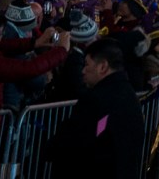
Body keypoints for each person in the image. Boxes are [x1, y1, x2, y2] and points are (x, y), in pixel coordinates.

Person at [46, 36, 146, 179]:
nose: (83, 71)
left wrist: (52, 147)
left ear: (103, 67)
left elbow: (78, 139)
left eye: (87, 64)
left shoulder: (97, 100)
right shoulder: (129, 95)